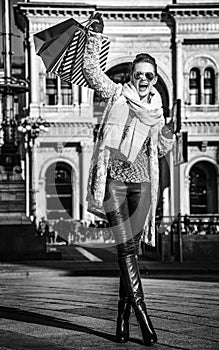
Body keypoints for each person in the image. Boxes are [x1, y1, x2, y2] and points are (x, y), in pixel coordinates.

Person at [82, 13, 174, 346]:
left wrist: (167, 133)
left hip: (141, 185)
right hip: (114, 183)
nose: (145, 80)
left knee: (130, 251)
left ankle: (121, 318)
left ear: (154, 78)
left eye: (150, 75)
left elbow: (161, 148)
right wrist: (93, 37)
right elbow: (92, 73)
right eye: (139, 74)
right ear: (132, 75)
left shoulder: (157, 109)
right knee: (125, 249)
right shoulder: (117, 93)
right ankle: (143, 317)